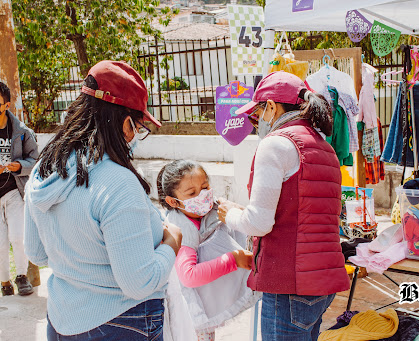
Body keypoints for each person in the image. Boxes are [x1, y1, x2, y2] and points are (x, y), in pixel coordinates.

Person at [24, 60, 182, 340]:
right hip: (122, 323)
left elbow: (37, 254)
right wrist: (172, 243)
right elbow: (139, 282)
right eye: (139, 128)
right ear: (125, 123)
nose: (136, 138)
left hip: (63, 322)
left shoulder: (43, 170)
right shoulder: (118, 183)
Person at [217, 71, 351, 341]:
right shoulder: (325, 148)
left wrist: (230, 214)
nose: (258, 123)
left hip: (290, 284)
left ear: (271, 107)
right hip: (321, 281)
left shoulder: (276, 145)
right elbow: (298, 213)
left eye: (258, 115)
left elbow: (259, 223)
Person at [157, 160, 260, 341]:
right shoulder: (181, 229)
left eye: (205, 187)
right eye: (192, 193)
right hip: (192, 318)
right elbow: (189, 276)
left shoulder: (213, 209)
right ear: (173, 201)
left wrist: (236, 212)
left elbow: (248, 222)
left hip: (209, 301)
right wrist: (233, 260)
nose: (202, 196)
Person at [0, 81, 38, 296]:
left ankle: (22, 276)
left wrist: (19, 166)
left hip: (15, 190)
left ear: (6, 106)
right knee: (0, 243)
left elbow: (34, 160)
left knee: (17, 236)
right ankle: (5, 283)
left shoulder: (21, 131)